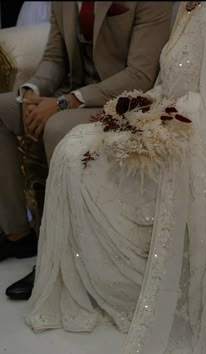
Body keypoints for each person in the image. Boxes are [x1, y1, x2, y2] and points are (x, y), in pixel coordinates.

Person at [21, 1, 206, 353]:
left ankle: (88, 271)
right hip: (159, 118)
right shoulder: (188, 7)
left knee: (74, 156)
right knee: (73, 148)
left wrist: (159, 124)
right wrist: (142, 108)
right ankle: (56, 259)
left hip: (189, 145)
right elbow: (165, 81)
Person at [0, 1, 172, 298]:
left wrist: (66, 102)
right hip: (69, 94)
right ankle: (18, 233)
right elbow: (54, 58)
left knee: (55, 126)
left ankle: (56, 256)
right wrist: (33, 91)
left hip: (123, 102)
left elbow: (140, 75)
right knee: (3, 108)